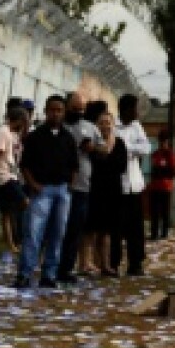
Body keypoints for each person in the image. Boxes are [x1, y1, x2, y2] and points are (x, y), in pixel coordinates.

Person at [16, 94, 78, 290]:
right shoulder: (35, 137)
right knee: (33, 233)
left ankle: (49, 274)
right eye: (52, 110)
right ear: (46, 111)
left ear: (64, 112)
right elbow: (24, 165)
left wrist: (70, 185)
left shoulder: (68, 138)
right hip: (41, 190)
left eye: (59, 110)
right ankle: (25, 274)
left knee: (57, 234)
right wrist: (33, 184)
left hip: (62, 191)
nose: (55, 114)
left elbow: (74, 165)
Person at [58, 89, 103, 284]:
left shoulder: (90, 128)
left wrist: (93, 148)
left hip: (82, 187)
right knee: (57, 229)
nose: (78, 112)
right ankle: (51, 266)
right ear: (66, 107)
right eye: (74, 108)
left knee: (75, 230)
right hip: (59, 184)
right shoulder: (58, 126)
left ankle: (67, 269)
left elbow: (104, 151)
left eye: (81, 109)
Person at [112, 92, 151, 275]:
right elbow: (112, 148)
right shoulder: (114, 127)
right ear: (125, 109)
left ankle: (135, 263)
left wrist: (126, 150)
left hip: (134, 185)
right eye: (135, 108)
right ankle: (114, 262)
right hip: (118, 185)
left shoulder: (136, 127)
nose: (137, 112)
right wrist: (128, 151)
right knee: (117, 227)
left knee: (136, 228)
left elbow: (146, 148)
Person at [88, 106, 126, 273]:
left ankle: (106, 263)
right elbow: (94, 164)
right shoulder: (93, 145)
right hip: (95, 190)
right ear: (96, 126)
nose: (105, 126)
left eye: (108, 122)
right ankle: (94, 262)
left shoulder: (120, 143)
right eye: (102, 123)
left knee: (109, 230)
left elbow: (121, 166)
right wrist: (102, 154)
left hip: (113, 191)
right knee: (94, 229)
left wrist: (106, 156)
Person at [0, 101, 27, 252]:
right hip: (4, 177)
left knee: (6, 212)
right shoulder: (2, 132)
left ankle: (10, 244)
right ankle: (15, 240)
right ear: (18, 120)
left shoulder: (11, 134)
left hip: (10, 175)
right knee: (24, 202)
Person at [150, 130, 175, 239]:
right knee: (154, 212)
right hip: (155, 187)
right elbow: (154, 171)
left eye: (164, 141)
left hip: (165, 187)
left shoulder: (170, 154)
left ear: (167, 142)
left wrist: (160, 171)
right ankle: (154, 234)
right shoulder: (155, 154)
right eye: (161, 141)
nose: (162, 144)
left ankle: (164, 234)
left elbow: (172, 173)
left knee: (165, 212)